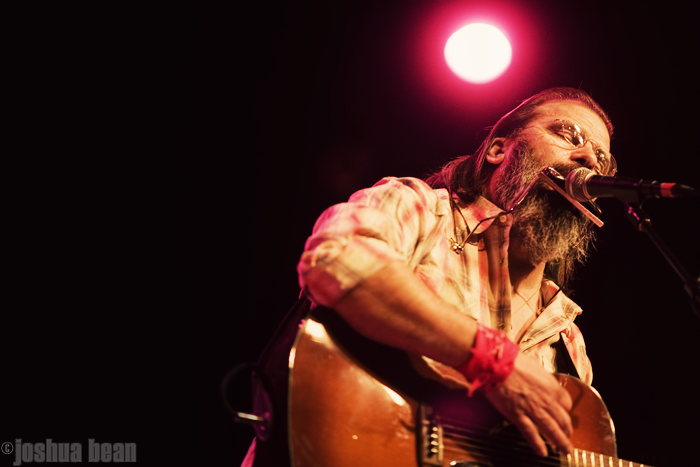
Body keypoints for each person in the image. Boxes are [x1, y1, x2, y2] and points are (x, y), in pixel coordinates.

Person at [241, 87, 616, 466]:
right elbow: (337, 261)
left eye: (602, 159)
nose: (588, 158)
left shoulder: (567, 340)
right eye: (568, 135)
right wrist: (495, 362)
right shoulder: (420, 208)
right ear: (498, 150)